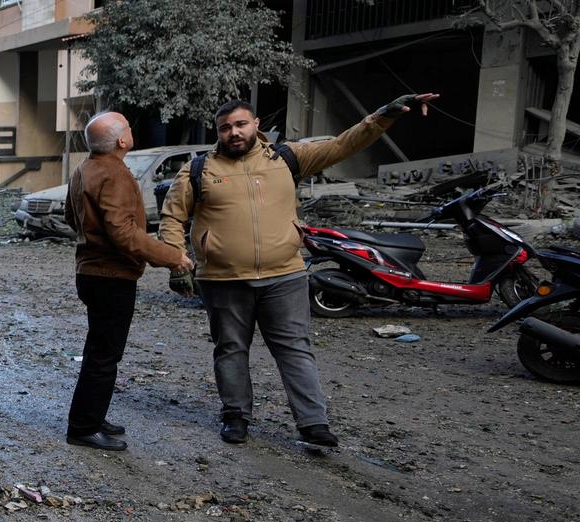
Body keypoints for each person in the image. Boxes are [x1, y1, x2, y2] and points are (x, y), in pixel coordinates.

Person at [160, 93, 439, 447]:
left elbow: (343, 145)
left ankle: (312, 422)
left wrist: (383, 115)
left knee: (295, 348)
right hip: (223, 279)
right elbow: (172, 217)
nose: (233, 132)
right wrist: (176, 259)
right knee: (230, 349)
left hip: (285, 275)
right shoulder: (199, 168)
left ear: (256, 125)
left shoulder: (288, 157)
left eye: (240, 124)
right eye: (225, 127)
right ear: (218, 131)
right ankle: (235, 417)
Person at [63, 112, 193, 451]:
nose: (133, 131)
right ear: (122, 141)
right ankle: (83, 427)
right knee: (104, 355)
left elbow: (69, 217)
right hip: (111, 276)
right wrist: (172, 256)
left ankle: (92, 415)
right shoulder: (113, 173)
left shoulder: (83, 169)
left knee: (98, 351)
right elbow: (123, 232)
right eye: (129, 128)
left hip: (91, 272)